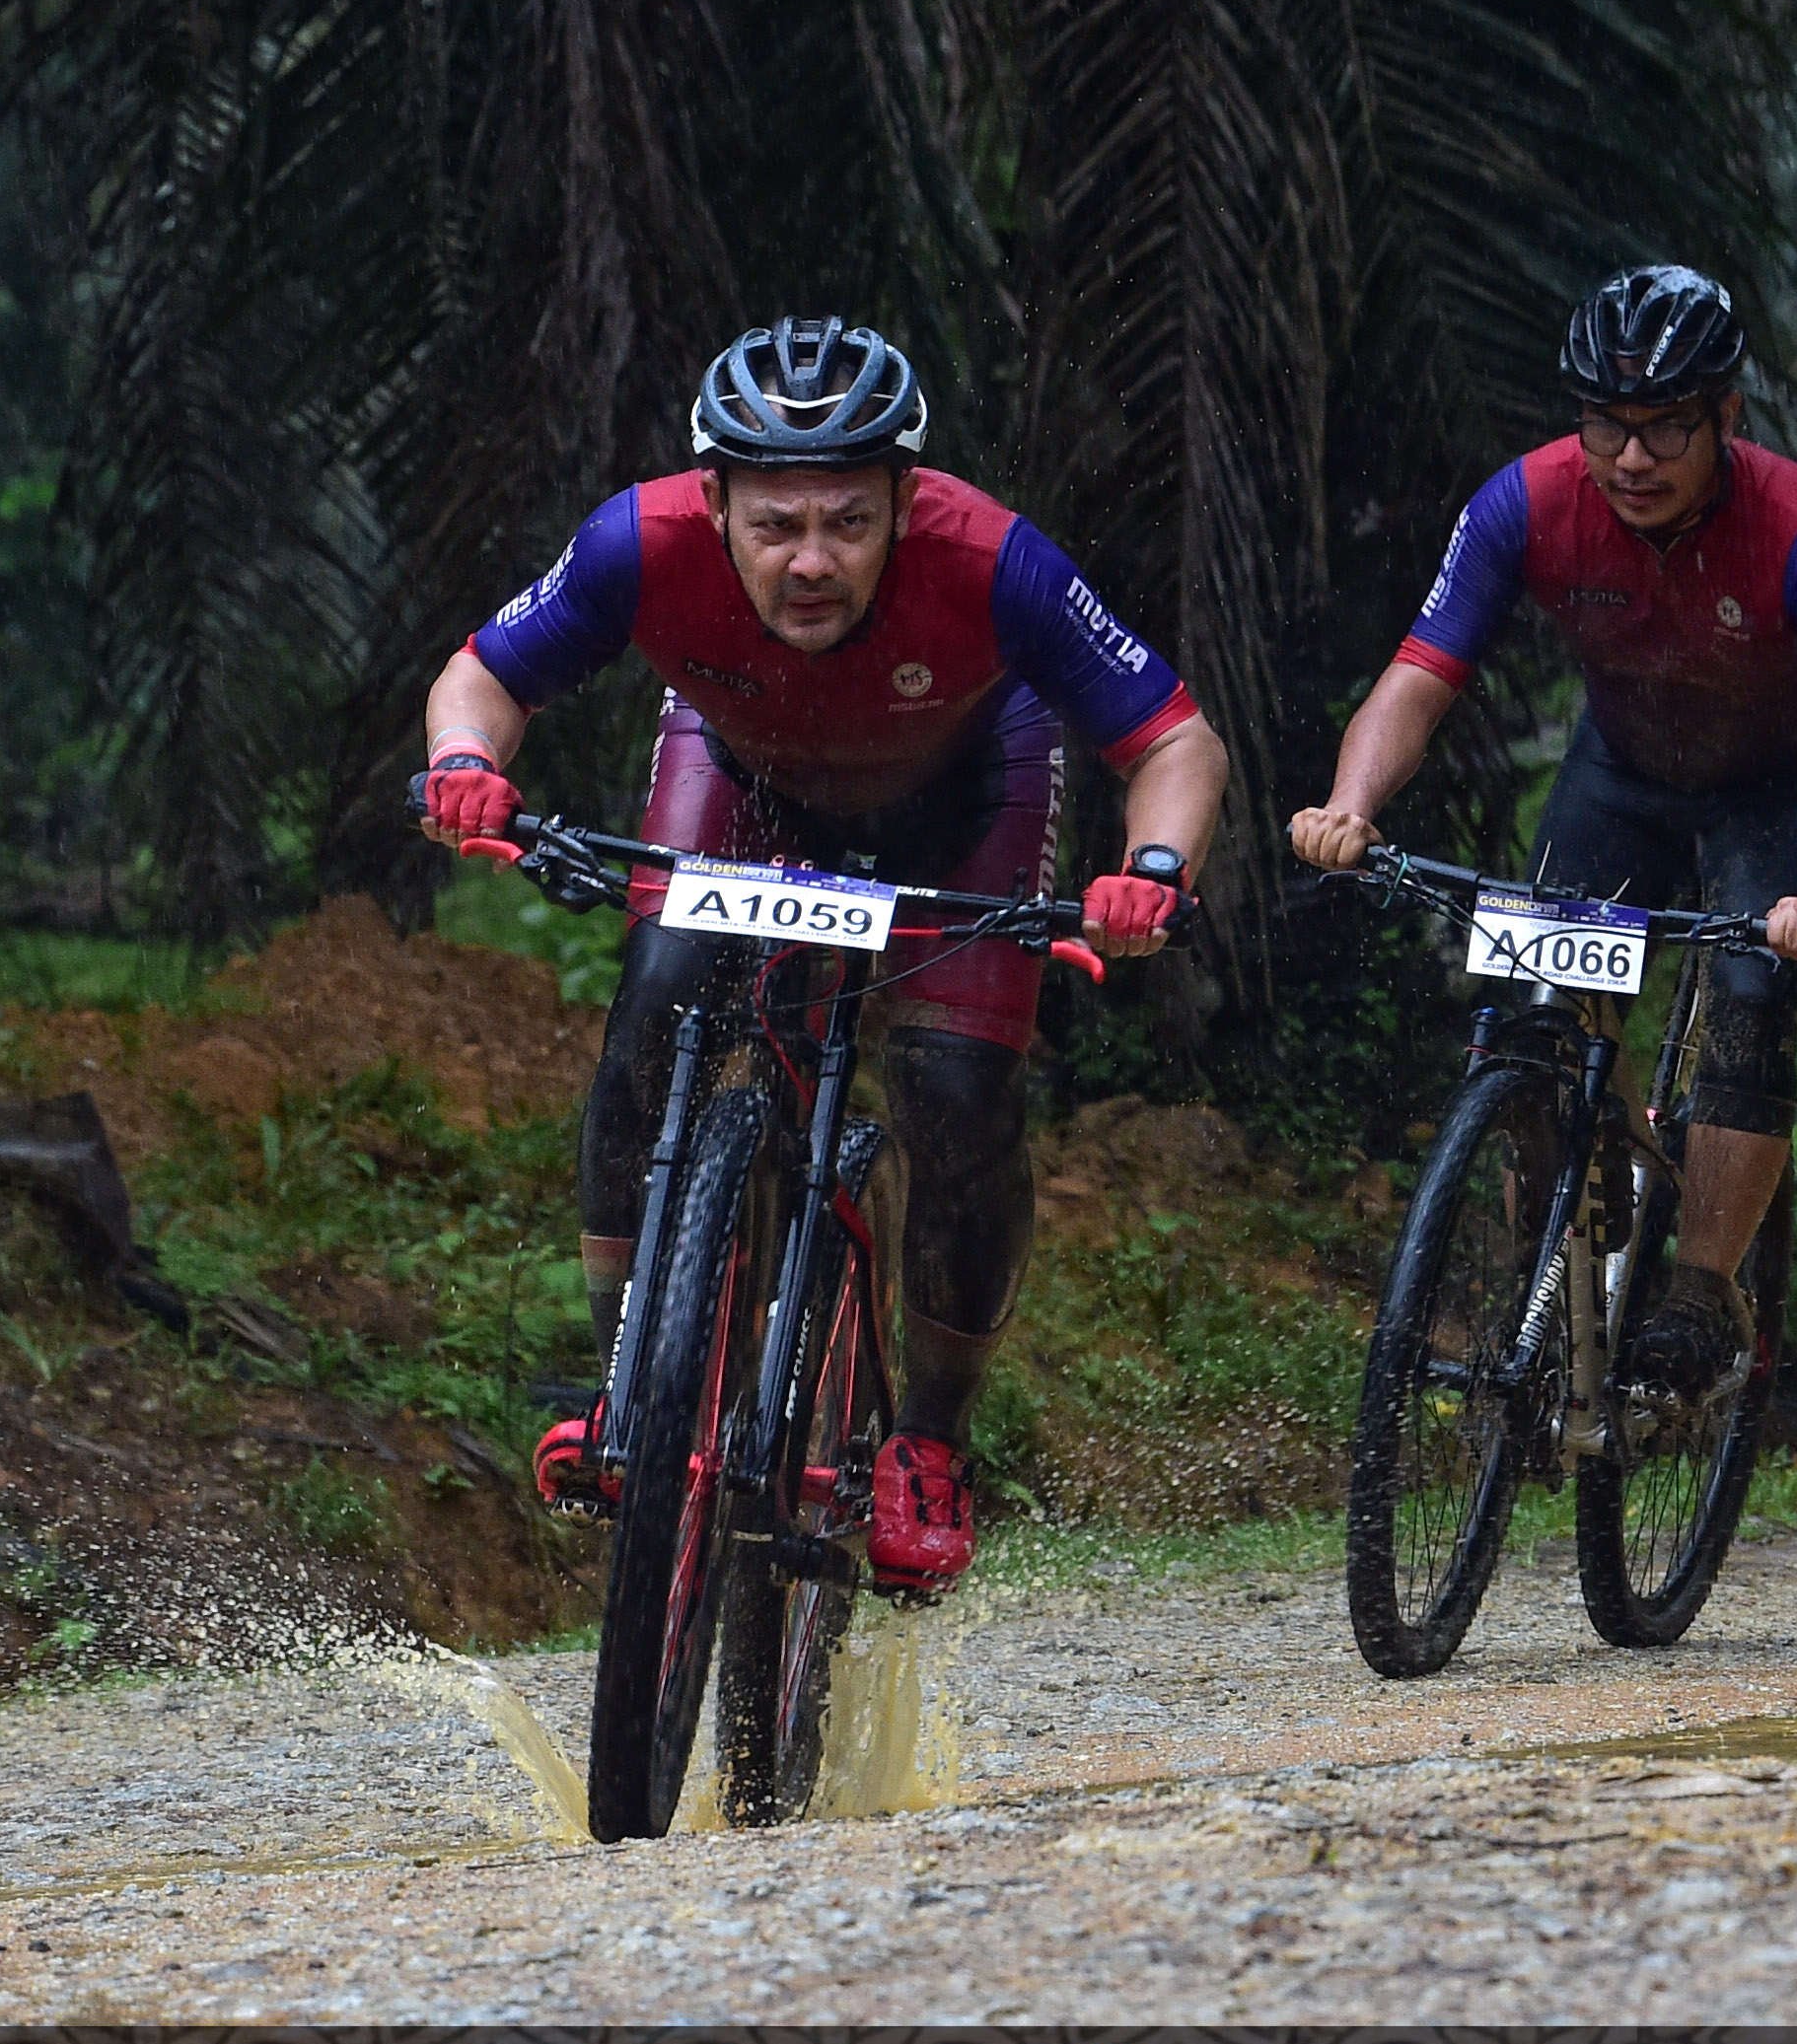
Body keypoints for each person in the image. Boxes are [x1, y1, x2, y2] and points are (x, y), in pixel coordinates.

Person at [418, 317, 1229, 1592]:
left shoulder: (996, 560)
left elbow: (1174, 741)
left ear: (907, 502)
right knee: (656, 1008)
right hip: (744, 779)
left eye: (848, 522)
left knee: (956, 1096)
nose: (810, 561)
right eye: (774, 523)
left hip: (966, 799)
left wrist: (1154, 873)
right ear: (713, 500)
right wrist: (467, 764)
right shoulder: (636, 544)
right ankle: (634, 1378)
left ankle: (931, 1445)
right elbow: (483, 675)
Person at [1287, 265, 1797, 1394]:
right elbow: (1419, 679)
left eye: (1666, 426)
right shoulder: (1524, 501)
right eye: (1605, 425)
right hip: (1620, 777)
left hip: (1773, 794)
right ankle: (1591, 1206)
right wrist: (1351, 807)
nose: (1631, 459)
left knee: (1751, 1003)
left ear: (1727, 416)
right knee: (1540, 1014)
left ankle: (1701, 1290)